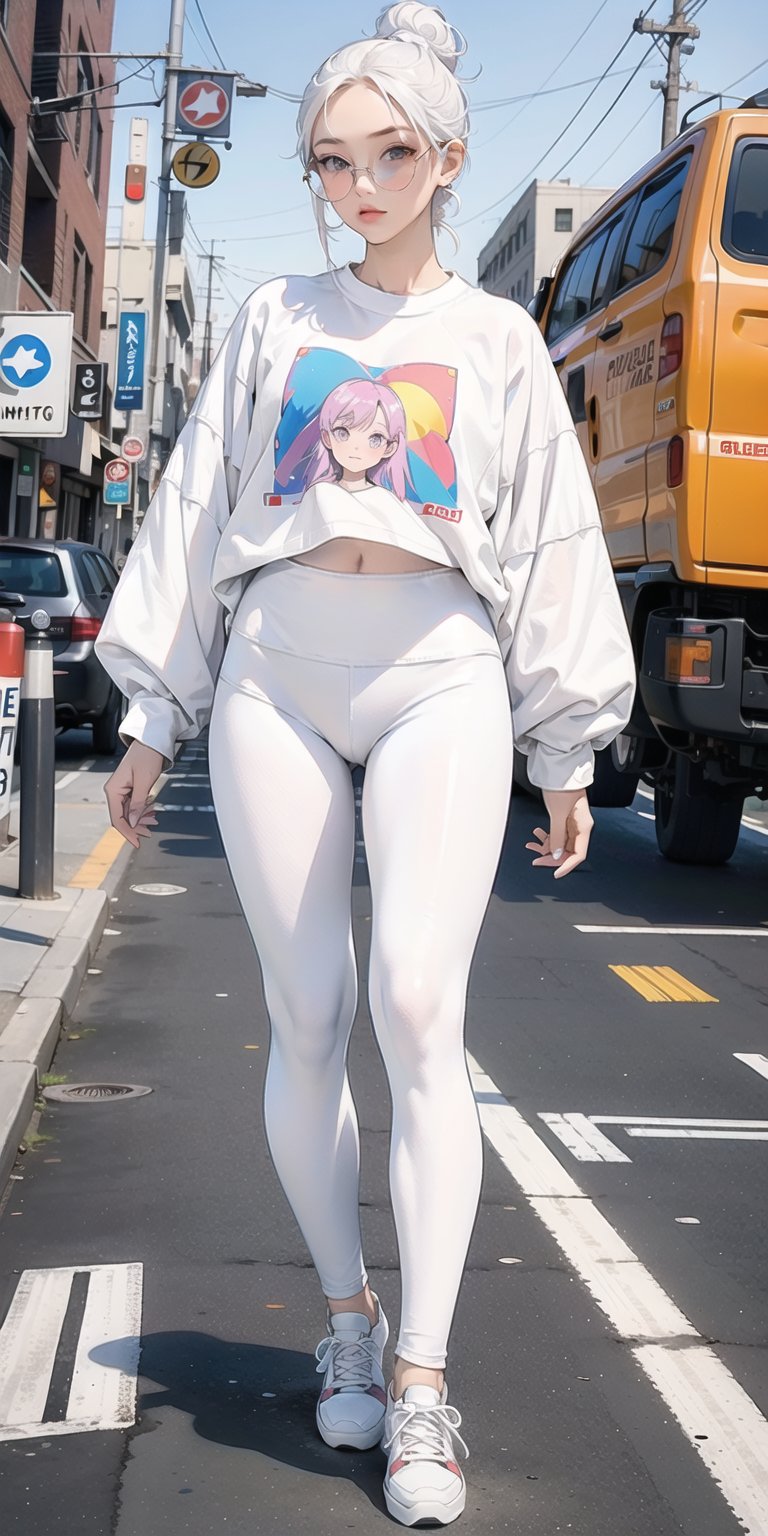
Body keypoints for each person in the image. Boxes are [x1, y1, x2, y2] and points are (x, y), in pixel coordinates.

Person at [96, 4, 636, 1525]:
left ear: (448, 158)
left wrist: (566, 741)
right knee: (307, 1008)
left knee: (413, 1000)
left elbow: (547, 543)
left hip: (440, 670)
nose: (358, 185)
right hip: (273, 664)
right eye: (332, 161)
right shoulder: (273, 315)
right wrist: (153, 712)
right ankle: (349, 1320)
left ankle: (427, 1386)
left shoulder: (496, 339)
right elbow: (201, 507)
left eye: (389, 154)